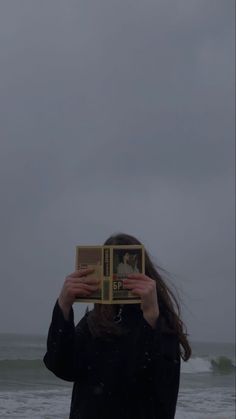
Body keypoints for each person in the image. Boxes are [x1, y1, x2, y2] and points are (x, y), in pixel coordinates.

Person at [44, 233, 191, 419]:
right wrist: (63, 307)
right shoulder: (94, 321)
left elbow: (163, 384)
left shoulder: (161, 323)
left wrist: (151, 319)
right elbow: (61, 366)